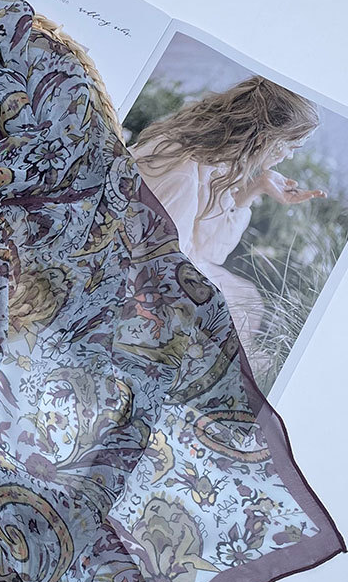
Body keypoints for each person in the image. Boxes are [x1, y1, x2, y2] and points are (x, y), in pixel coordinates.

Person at [127, 75, 326, 378]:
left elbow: (210, 248)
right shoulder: (183, 172)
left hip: (167, 258)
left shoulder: (216, 157)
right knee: (231, 311)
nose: (289, 155)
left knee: (245, 298)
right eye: (291, 144)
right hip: (139, 272)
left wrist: (254, 189)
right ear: (266, 136)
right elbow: (160, 262)